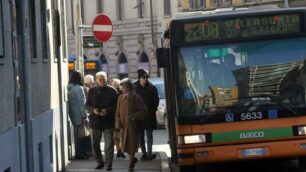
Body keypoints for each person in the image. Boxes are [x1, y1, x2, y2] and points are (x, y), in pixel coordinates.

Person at [86, 71, 118, 170]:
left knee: (109, 146)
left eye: (104, 79)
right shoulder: (91, 91)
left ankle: (109, 164)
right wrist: (93, 110)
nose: (102, 81)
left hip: (108, 121)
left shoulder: (112, 91)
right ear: (96, 80)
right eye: (100, 79)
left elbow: (116, 106)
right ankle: (100, 162)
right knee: (95, 145)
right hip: (95, 122)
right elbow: (87, 105)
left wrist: (107, 110)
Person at [115, 78, 148, 171]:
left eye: (122, 87)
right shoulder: (120, 97)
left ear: (128, 87)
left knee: (131, 146)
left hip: (132, 126)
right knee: (125, 146)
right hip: (123, 126)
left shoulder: (136, 97)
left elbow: (144, 111)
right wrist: (117, 122)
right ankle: (132, 160)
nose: (121, 89)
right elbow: (117, 111)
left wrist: (134, 116)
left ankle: (130, 164)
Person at [134, 69, 159, 161]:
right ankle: (144, 153)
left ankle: (149, 153)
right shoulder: (134, 87)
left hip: (149, 115)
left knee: (149, 135)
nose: (145, 79)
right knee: (141, 136)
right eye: (143, 77)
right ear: (139, 78)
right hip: (139, 116)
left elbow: (156, 101)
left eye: (147, 77)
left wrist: (151, 111)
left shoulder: (152, 87)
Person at [67, 70, 88, 159]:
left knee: (78, 135)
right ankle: (80, 153)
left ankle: (80, 152)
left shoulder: (70, 88)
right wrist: (84, 115)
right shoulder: (79, 88)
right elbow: (81, 103)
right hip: (79, 115)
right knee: (82, 135)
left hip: (73, 114)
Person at [111, 78, 125, 158]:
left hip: (114, 116)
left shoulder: (111, 93)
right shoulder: (122, 93)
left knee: (115, 135)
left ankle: (118, 150)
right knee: (120, 134)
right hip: (120, 116)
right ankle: (120, 149)